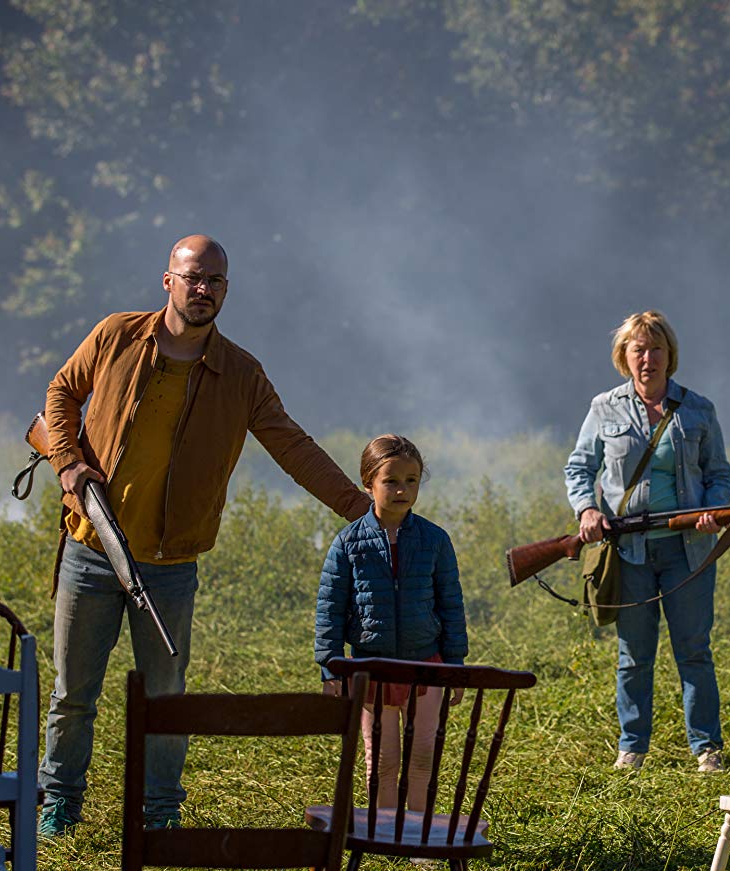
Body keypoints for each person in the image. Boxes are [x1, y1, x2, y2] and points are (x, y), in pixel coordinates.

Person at [38, 235, 371, 836]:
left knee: (167, 698)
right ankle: (58, 804)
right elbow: (61, 393)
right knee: (72, 693)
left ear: (225, 290)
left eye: (215, 281)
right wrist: (66, 459)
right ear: (168, 280)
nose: (203, 289)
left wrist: (359, 507)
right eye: (193, 277)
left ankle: (160, 812)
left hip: (169, 564)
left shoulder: (240, 374)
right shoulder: (115, 335)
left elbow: (292, 446)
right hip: (93, 547)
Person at [565, 311, 730, 773]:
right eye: (638, 349)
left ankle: (706, 749)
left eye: (656, 348)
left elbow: (719, 474)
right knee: (634, 655)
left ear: (669, 356)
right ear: (624, 357)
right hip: (629, 554)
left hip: (689, 552)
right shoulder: (604, 408)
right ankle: (632, 748)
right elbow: (579, 469)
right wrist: (588, 510)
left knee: (694, 650)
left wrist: (712, 512)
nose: (648, 358)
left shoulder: (698, 409)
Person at [314, 435, 467, 806]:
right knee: (382, 761)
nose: (402, 490)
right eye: (391, 481)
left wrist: (455, 666)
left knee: (423, 758)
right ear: (369, 483)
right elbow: (330, 609)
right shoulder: (348, 543)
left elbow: (451, 605)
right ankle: (381, 837)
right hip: (372, 668)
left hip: (426, 666)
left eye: (411, 480)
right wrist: (331, 669)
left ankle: (417, 840)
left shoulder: (435, 540)